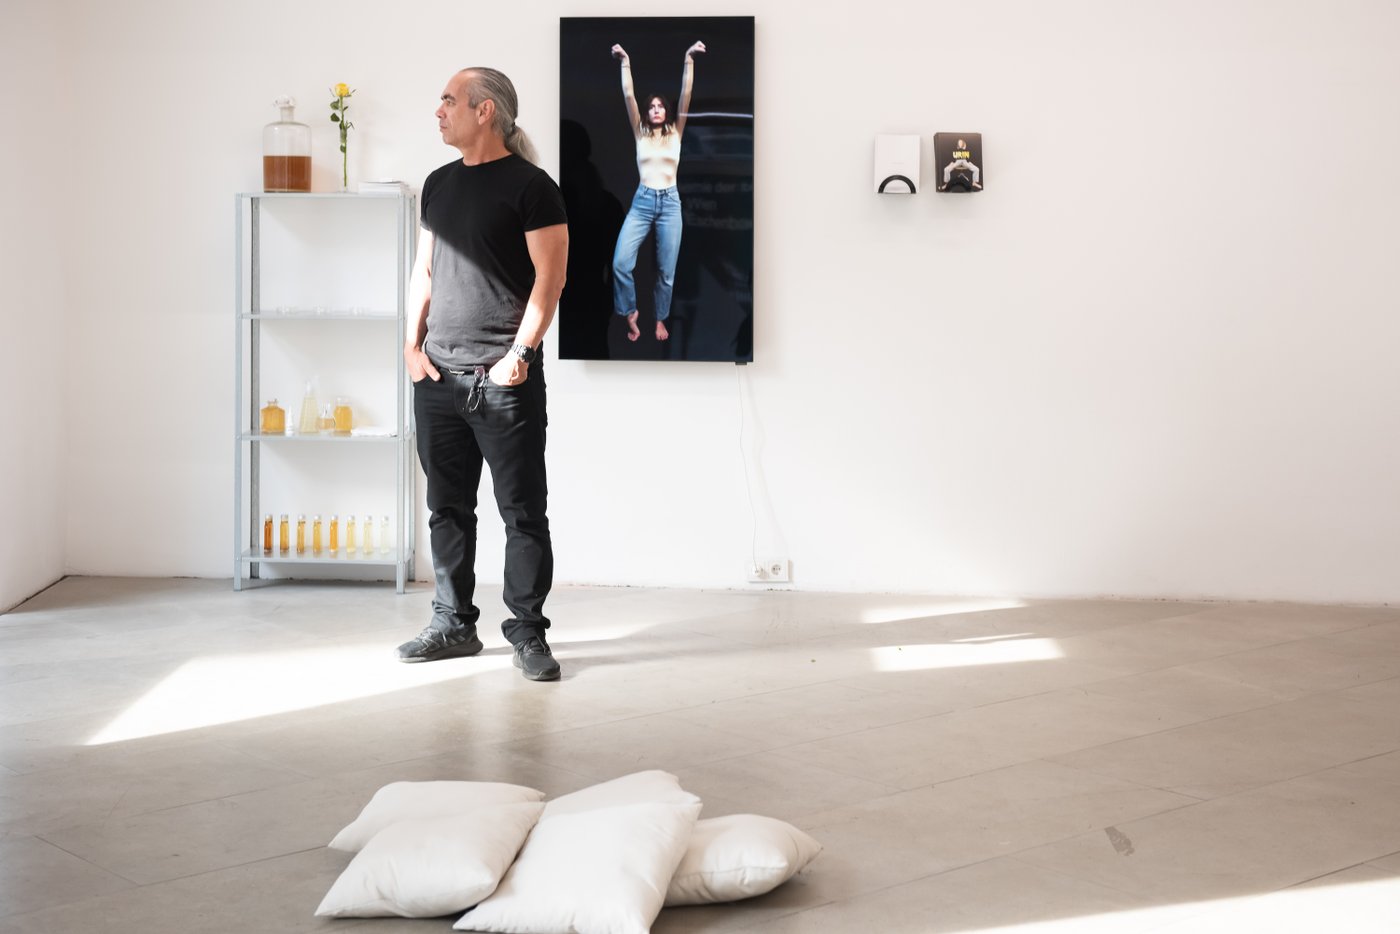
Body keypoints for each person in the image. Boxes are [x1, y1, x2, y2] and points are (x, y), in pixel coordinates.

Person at [396, 67, 569, 681]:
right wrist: (411, 348)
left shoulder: (533, 187)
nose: (439, 110)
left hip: (505, 380)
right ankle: (453, 624)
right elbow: (425, 273)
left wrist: (518, 356)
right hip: (437, 377)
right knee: (447, 508)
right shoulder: (438, 185)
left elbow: (550, 281)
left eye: (448, 100)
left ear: (485, 111)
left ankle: (527, 632)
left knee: (522, 511)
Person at [610, 40, 706, 342]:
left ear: (666, 110)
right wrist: (625, 60)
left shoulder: (676, 131)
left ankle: (661, 318)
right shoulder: (640, 132)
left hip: (670, 202)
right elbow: (628, 95)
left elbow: (686, 94)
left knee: (667, 271)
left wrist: (688, 58)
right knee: (621, 263)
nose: (654, 109)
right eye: (650, 106)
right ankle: (631, 312)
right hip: (643, 200)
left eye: (659, 106)